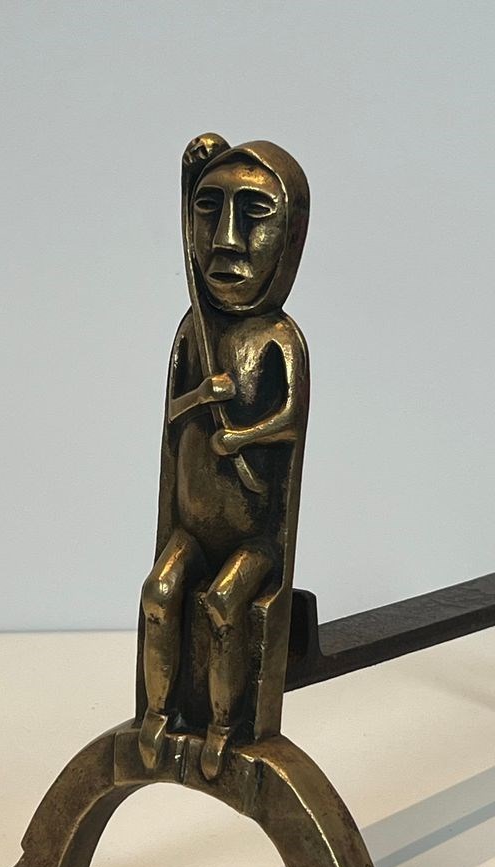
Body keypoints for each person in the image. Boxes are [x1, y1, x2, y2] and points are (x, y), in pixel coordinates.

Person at [138, 137, 310, 781]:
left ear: (290, 236)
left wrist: (242, 436)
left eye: (255, 213)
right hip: (193, 527)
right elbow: (172, 417)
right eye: (209, 209)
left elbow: (290, 421)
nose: (227, 240)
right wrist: (199, 399)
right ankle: (157, 715)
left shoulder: (278, 338)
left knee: (220, 605)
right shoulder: (195, 331)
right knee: (159, 593)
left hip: (250, 538)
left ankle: (220, 731)